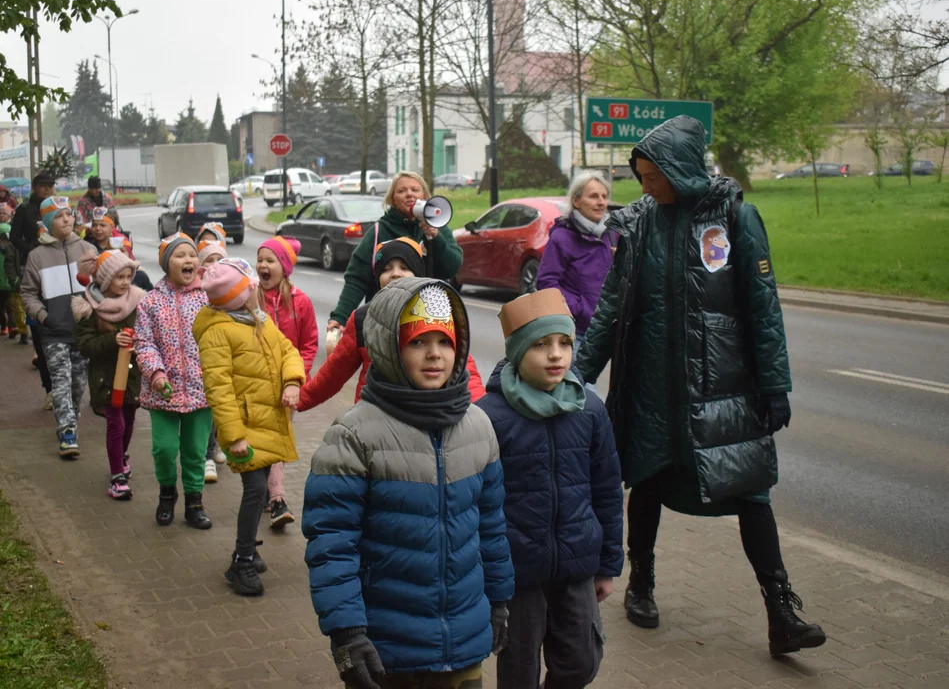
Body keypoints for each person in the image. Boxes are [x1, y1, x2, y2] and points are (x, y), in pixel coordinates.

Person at [575, 115, 826, 657]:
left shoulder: (734, 217)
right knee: (646, 482)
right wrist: (577, 375)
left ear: (680, 169)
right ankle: (640, 584)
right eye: (639, 176)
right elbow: (611, 309)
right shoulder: (638, 223)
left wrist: (774, 382)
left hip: (721, 386)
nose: (644, 186)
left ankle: (782, 610)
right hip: (649, 386)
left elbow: (763, 305)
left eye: (652, 175)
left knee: (750, 492)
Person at [302, 278, 514, 688]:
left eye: (445, 341)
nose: (435, 354)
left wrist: (500, 600)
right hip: (386, 651)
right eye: (418, 342)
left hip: (464, 642)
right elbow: (332, 543)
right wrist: (347, 632)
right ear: (388, 347)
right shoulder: (353, 436)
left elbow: (491, 526)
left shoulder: (479, 427)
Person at [478, 290, 623, 688]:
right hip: (518, 571)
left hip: (577, 563)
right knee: (519, 669)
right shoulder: (490, 416)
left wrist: (609, 563)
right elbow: (478, 502)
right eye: (541, 345)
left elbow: (607, 489)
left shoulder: (589, 410)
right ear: (517, 352)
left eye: (564, 343)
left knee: (581, 662)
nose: (556, 355)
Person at [194, 257, 306, 596]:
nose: (257, 291)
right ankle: (241, 561)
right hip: (245, 428)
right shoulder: (218, 334)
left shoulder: (258, 320)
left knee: (257, 492)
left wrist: (292, 382)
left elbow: (287, 349)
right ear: (240, 296)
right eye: (251, 287)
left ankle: (249, 549)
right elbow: (219, 389)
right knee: (256, 489)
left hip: (268, 421)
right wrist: (234, 437)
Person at [299, 238, 486, 412]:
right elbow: (333, 374)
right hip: (373, 416)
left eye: (404, 267)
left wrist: (485, 413)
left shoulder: (436, 310)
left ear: (418, 274)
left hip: (425, 417)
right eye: (386, 269)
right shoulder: (363, 318)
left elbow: (465, 367)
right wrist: (298, 401)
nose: (395, 273)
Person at [133, 234, 213, 530]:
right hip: (162, 392)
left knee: (195, 451)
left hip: (201, 390)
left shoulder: (209, 298)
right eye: (180, 256)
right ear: (167, 264)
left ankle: (195, 501)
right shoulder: (150, 302)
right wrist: (155, 374)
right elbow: (143, 342)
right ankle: (167, 494)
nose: (189, 260)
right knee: (164, 449)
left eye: (192, 255)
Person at [327, 171, 463, 332]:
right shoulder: (379, 230)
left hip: (428, 316)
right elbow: (357, 278)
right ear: (392, 199)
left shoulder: (437, 228)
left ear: (425, 196)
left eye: (415, 190)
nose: (409, 194)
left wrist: (436, 238)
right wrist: (340, 316)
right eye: (402, 191)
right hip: (384, 318)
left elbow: (452, 266)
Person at [20, 196, 97, 457]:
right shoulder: (37, 256)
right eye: (60, 215)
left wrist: (94, 308)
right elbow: (28, 293)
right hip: (53, 332)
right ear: (49, 222)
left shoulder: (87, 249)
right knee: (61, 381)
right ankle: (66, 431)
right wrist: (43, 316)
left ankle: (71, 423)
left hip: (84, 332)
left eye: (69, 214)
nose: (66, 219)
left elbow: (101, 286)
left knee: (78, 385)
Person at [74, 250, 148, 501]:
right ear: (105, 281)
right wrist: (112, 340)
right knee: (116, 423)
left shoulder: (139, 301)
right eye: (120, 277)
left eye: (129, 276)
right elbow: (84, 345)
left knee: (128, 420)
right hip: (105, 376)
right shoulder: (89, 307)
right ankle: (117, 475)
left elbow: (149, 334)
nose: (126, 282)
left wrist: (140, 344)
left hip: (132, 375)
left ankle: (122, 454)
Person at [256, 236, 317, 529]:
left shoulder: (300, 301)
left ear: (283, 267)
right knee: (264, 438)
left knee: (277, 435)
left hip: (287, 385)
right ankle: (268, 495)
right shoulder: (249, 298)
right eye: (260, 260)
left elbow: (309, 344)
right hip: (254, 382)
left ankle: (276, 498)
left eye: (270, 261)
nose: (263, 266)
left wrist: (296, 379)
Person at [536, 171, 618, 345]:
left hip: (610, 328)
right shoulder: (561, 237)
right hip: (577, 332)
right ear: (576, 201)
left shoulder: (613, 233)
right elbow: (546, 283)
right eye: (594, 196)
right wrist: (578, 309)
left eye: (604, 196)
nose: (601, 202)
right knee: (576, 374)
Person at [196, 237, 231, 480]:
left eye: (220, 259)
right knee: (208, 407)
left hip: (225, 359)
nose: (215, 264)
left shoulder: (230, 290)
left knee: (221, 406)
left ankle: (218, 444)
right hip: (201, 360)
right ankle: (207, 456)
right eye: (210, 260)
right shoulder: (197, 291)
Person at [83, 207, 152, 290]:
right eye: (94, 225)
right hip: (99, 288)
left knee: (141, 276)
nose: (98, 228)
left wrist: (125, 259)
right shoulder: (86, 247)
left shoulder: (120, 245)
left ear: (112, 227)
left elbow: (132, 268)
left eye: (102, 225)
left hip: (123, 284)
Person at [11, 172, 56, 267]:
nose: (47, 189)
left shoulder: (58, 208)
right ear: (34, 187)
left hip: (55, 256)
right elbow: (14, 237)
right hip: (31, 259)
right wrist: (30, 250)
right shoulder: (24, 209)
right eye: (43, 185)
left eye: (50, 186)